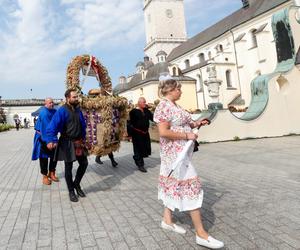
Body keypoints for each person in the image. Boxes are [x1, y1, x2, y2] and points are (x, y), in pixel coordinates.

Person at [153, 76, 224, 249]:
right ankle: (201, 234)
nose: (181, 91)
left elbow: (185, 122)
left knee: (174, 185)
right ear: (170, 90)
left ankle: (167, 220)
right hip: (174, 156)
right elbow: (163, 132)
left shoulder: (175, 105)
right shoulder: (163, 106)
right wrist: (187, 135)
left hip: (182, 153)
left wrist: (198, 123)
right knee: (192, 187)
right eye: (178, 88)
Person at [46, 89, 88, 202]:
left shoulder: (78, 110)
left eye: (77, 97)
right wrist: (51, 139)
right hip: (67, 142)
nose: (76, 99)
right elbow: (52, 126)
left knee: (84, 164)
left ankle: (76, 184)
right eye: (74, 97)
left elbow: (83, 125)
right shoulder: (62, 110)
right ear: (68, 98)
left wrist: (84, 138)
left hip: (78, 142)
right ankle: (71, 191)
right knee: (68, 168)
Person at [31, 98, 58, 185]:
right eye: (50, 103)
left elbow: (57, 124)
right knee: (44, 157)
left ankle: (52, 172)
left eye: (52, 102)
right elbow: (46, 128)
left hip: (52, 136)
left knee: (54, 156)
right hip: (43, 137)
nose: (52, 104)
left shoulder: (54, 111)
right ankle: (45, 176)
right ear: (45, 104)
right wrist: (49, 141)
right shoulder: (44, 113)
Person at [128, 97, 153, 173]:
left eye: (145, 102)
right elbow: (130, 123)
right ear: (139, 103)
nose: (145, 103)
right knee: (138, 149)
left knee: (145, 147)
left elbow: (153, 118)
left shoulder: (147, 111)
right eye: (143, 102)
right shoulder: (133, 111)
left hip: (145, 133)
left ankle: (137, 158)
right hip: (136, 133)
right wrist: (129, 134)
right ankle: (140, 164)